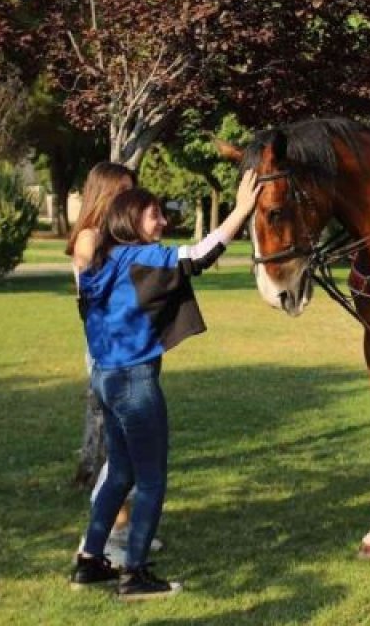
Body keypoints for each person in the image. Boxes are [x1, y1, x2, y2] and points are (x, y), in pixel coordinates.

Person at [70, 170, 259, 600]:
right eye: (155, 216)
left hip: (106, 379)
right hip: (134, 384)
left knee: (120, 470)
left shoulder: (108, 259)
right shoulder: (141, 258)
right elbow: (198, 255)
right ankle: (133, 573)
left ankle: (90, 561)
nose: (162, 224)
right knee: (152, 479)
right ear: (134, 221)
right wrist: (242, 211)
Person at [66, 163, 144, 560]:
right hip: (110, 357)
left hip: (124, 353)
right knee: (119, 453)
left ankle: (124, 529)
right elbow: (90, 277)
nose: (128, 200)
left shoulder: (113, 240)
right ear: (103, 195)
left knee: (126, 450)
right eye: (122, 192)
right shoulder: (91, 239)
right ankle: (104, 539)